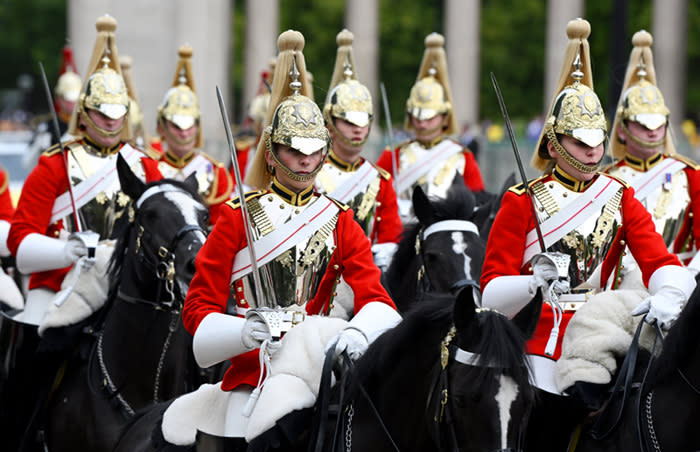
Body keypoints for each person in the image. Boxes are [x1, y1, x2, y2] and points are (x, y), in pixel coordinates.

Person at [159, 30, 400, 449]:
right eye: (293, 149)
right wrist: (243, 331)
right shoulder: (237, 218)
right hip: (251, 371)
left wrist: (355, 335)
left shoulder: (340, 221)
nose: (306, 159)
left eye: (314, 149)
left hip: (319, 370)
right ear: (271, 154)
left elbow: (376, 299)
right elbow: (198, 307)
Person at [479, 18, 695, 450]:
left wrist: (671, 293)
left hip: (601, 330)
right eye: (580, 142)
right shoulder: (523, 198)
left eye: (597, 140)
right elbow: (490, 291)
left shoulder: (621, 195)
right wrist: (532, 282)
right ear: (556, 143)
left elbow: (658, 259)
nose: (593, 151)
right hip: (536, 333)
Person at [7, 15, 163, 327]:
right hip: (59, 282)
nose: (110, 121)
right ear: (85, 111)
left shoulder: (145, 165)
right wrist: (68, 250)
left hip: (127, 285)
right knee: (33, 344)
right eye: (101, 113)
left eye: (118, 113)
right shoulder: (55, 164)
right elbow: (19, 241)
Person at [604, 30, 700, 286]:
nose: (653, 130)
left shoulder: (690, 175)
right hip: (616, 288)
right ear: (622, 129)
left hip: (675, 282)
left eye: (659, 123)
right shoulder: (605, 179)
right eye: (643, 123)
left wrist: (684, 283)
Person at [315, 29, 402, 272]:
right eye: (349, 122)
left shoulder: (380, 181)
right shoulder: (310, 174)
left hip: (366, 273)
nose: (358, 129)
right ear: (330, 123)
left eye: (363, 122)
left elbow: (389, 238)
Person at [376, 32, 484, 223]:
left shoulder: (463, 157)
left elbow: (475, 204)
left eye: (429, 117)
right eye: (416, 116)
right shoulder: (392, 155)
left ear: (444, 118)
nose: (421, 123)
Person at [156, 45, 233, 225]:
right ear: (162, 127)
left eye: (190, 125)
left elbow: (219, 224)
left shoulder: (215, 172)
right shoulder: (150, 168)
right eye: (176, 125)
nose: (184, 132)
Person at [25, 44, 81, 169]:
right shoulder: (46, 127)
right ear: (59, 99)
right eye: (67, 99)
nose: (72, 104)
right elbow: (28, 164)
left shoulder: (87, 125)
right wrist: (40, 148)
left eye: (75, 99)